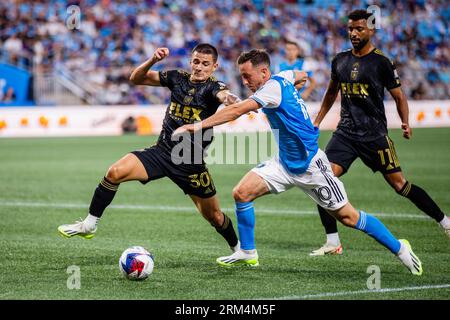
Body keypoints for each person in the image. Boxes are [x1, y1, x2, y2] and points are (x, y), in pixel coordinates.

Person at [174, 49, 423, 276]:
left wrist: (195, 125)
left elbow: (238, 111)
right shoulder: (284, 76)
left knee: (349, 217)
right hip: (283, 164)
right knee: (241, 193)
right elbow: (299, 74)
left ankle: (400, 247)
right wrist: (301, 80)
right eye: (242, 77)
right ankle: (248, 253)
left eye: (248, 76)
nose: (245, 82)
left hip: (312, 167)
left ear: (264, 72)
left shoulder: (270, 88)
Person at [58, 44, 242, 254]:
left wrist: (236, 101)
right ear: (191, 61)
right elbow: (136, 78)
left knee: (215, 217)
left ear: (215, 66)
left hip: (190, 162)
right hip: (162, 152)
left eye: (205, 64)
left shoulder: (214, 87)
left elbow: (226, 97)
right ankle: (89, 225)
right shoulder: (177, 77)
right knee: (114, 172)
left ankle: (239, 250)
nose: (199, 67)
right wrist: (153, 60)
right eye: (196, 62)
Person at [310, 10, 449, 256]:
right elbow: (331, 93)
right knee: (323, 179)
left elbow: (399, 96)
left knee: (400, 185)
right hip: (345, 133)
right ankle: (332, 242)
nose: (353, 33)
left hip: (374, 135)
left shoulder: (382, 62)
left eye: (359, 29)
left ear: (371, 30)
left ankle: (444, 222)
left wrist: (405, 122)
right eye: (351, 28)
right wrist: (317, 121)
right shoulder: (339, 60)